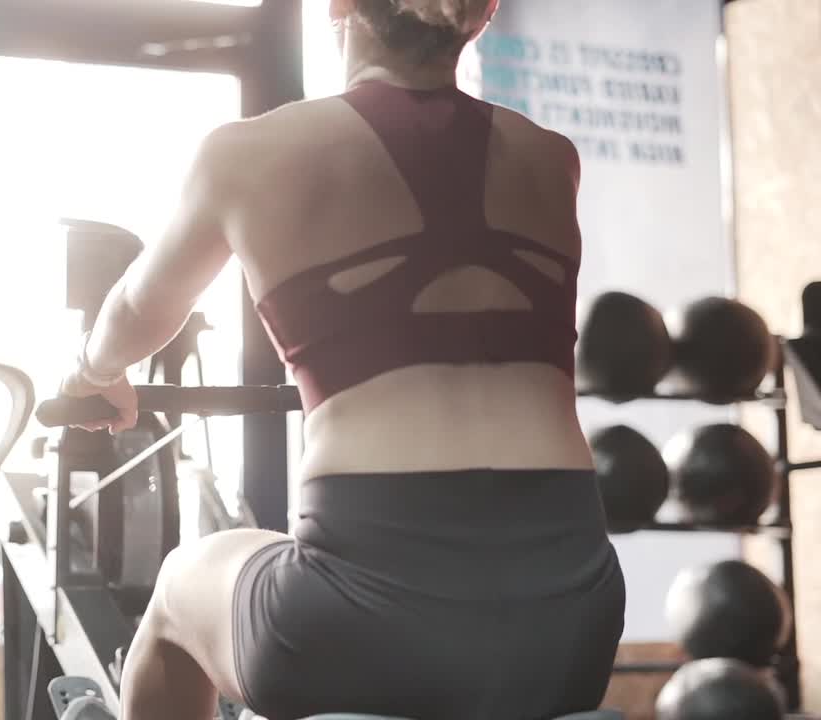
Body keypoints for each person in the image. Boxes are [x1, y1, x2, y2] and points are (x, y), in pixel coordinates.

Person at [58, 1, 626, 718]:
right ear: (481, 17)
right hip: (571, 622)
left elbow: (135, 315)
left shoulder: (245, 153)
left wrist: (91, 371)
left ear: (338, 8)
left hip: (366, 616)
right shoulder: (552, 158)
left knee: (176, 591)